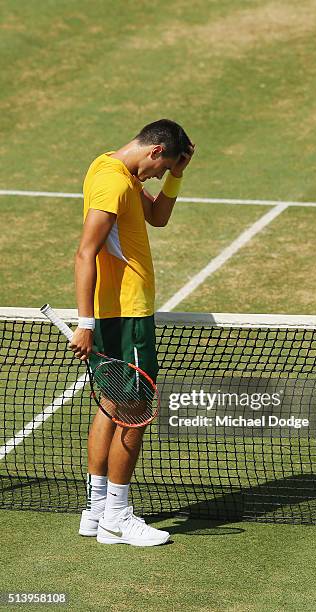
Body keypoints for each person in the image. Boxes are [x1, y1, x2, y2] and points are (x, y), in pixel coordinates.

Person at [70, 119, 194, 546]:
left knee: (111, 405)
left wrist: (177, 174)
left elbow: (157, 217)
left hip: (118, 313)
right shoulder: (115, 185)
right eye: (162, 168)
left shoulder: (112, 169)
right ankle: (118, 517)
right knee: (135, 413)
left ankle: (97, 509)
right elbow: (85, 252)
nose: (158, 177)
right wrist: (85, 322)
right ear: (155, 150)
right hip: (125, 316)